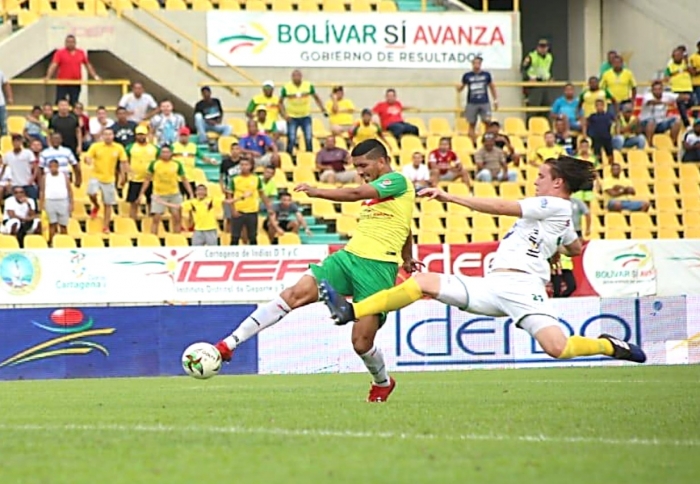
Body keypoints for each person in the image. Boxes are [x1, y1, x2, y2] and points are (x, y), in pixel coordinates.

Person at [320, 156, 647, 366]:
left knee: (557, 348)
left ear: (557, 183)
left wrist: (450, 196)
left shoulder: (553, 205)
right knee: (422, 282)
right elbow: (575, 248)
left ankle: (608, 346)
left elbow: (502, 207)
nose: (536, 182)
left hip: (523, 288)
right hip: (493, 284)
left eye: (541, 176)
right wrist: (554, 250)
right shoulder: (559, 216)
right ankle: (351, 310)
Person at [212, 139, 419, 402]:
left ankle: (383, 382)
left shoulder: (398, 181)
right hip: (347, 258)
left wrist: (317, 191)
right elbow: (405, 226)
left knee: (361, 343)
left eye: (364, 165)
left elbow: (357, 195)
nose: (360, 172)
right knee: (295, 293)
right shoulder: (379, 197)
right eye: (356, 167)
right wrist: (409, 256)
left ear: (382, 161)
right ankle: (229, 344)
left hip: (378, 269)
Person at [155, 184, 241, 246]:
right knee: (196, 252)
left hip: (210, 230)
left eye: (203, 190)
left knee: (212, 252)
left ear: (206, 192)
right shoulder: (192, 202)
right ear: (196, 192)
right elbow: (178, 206)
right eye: (199, 190)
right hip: (198, 231)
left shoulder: (212, 200)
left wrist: (242, 197)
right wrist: (162, 202)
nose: (201, 192)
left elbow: (228, 201)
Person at [139, 145, 193, 235]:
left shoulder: (176, 164)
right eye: (163, 152)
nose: (165, 154)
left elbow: (184, 179)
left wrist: (190, 192)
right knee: (156, 218)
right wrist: (141, 193)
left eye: (167, 152)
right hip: (159, 194)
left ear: (171, 153)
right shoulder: (154, 164)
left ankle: (177, 238)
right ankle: (154, 238)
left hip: (174, 194)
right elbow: (147, 179)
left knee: (177, 217)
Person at [84, 127, 128, 232]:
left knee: (108, 204)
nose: (108, 137)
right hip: (96, 175)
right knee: (91, 193)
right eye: (106, 134)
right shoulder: (96, 146)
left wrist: (123, 176)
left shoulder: (118, 148)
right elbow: (88, 156)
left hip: (110, 178)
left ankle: (106, 226)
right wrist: (88, 160)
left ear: (113, 136)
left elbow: (123, 162)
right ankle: (95, 205)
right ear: (102, 136)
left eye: (110, 134)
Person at [279, 70, 327, 155]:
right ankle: (289, 156)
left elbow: (316, 98)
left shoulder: (308, 86)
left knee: (308, 137)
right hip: (292, 117)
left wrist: (323, 109)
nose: (296, 78)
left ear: (301, 76)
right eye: (294, 76)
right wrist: (284, 115)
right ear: (292, 77)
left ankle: (310, 156)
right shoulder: (286, 87)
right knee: (292, 138)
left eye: (298, 76)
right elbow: (280, 102)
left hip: (305, 116)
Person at [44, 34, 100, 105]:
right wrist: (48, 77)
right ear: (65, 43)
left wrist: (96, 77)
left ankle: (72, 116)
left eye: (72, 42)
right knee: (60, 102)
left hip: (75, 83)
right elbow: (54, 65)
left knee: (74, 103)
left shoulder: (81, 53)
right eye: (68, 42)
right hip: (62, 83)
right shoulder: (60, 53)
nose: (70, 44)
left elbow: (88, 65)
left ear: (75, 43)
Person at [229, 158, 272, 246]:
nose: (244, 167)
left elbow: (262, 194)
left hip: (252, 211)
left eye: (246, 165)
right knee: (235, 237)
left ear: (251, 166)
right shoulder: (234, 179)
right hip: (239, 211)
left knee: (252, 237)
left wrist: (269, 207)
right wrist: (233, 210)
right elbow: (229, 196)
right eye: (241, 165)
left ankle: (254, 258)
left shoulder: (256, 179)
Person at [458, 56, 498, 142]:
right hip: (472, 102)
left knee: (487, 121)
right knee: (472, 123)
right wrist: (458, 88)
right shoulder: (467, 76)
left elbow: (492, 87)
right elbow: (462, 87)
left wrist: (495, 100)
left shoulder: (486, 75)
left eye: (478, 63)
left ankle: (487, 140)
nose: (477, 65)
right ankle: (473, 142)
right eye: (475, 63)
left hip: (484, 102)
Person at [172, 127, 218, 198]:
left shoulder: (193, 147)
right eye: (182, 135)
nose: (183, 137)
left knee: (191, 198)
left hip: (190, 177)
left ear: (188, 136)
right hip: (177, 178)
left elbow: (202, 157)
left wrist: (211, 161)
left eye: (185, 136)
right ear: (179, 136)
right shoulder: (173, 146)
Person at [125, 125, 158, 220]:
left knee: (151, 202)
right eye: (139, 134)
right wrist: (127, 172)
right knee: (134, 202)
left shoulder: (154, 148)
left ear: (146, 135)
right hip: (135, 179)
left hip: (151, 179)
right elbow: (125, 160)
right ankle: (132, 221)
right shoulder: (130, 147)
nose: (141, 137)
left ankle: (151, 221)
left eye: (143, 134)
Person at [639, 80, 681, 147]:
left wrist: (682, 98)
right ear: (652, 90)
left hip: (661, 123)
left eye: (659, 89)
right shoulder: (648, 96)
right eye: (655, 89)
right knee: (651, 121)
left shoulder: (666, 95)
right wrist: (664, 103)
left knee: (677, 120)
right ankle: (649, 144)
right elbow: (650, 102)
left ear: (662, 89)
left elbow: (680, 97)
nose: (657, 91)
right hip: (645, 124)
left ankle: (673, 143)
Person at [40, 158, 73, 243]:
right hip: (50, 201)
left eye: (55, 166)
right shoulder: (45, 177)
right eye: (51, 167)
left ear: (58, 167)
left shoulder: (64, 176)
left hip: (62, 201)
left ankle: (65, 242)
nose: (53, 168)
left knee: (63, 224)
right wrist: (41, 203)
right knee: (52, 224)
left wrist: (71, 203)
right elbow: (42, 191)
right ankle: (52, 242)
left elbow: (69, 190)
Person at [522, 38, 553, 121]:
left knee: (546, 108)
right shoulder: (531, 56)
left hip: (545, 84)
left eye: (545, 47)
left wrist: (549, 78)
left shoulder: (549, 57)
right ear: (537, 47)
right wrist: (528, 79)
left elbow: (546, 70)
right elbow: (523, 69)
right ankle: (529, 127)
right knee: (533, 109)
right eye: (541, 47)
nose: (543, 49)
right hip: (534, 85)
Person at [2, 134, 38, 200]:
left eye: (18, 141)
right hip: (14, 184)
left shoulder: (28, 153)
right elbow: (3, 169)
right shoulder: (7, 155)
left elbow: (35, 167)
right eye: (15, 141)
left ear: (21, 142)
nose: (16, 143)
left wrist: (32, 179)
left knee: (32, 202)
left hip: (27, 183)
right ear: (12, 142)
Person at [664, 47, 694, 128]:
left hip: (688, 88)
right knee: (681, 103)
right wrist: (677, 72)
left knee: (693, 102)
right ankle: (686, 123)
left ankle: (685, 115)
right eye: (676, 55)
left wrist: (687, 64)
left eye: (679, 55)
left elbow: (692, 72)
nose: (678, 57)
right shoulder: (670, 66)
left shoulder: (686, 63)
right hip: (677, 90)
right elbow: (666, 77)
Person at [219, 142, 243, 231]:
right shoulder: (225, 162)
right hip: (229, 192)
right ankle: (227, 234)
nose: (235, 151)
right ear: (230, 150)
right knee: (229, 217)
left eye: (237, 149)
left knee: (240, 217)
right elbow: (221, 176)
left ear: (240, 150)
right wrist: (222, 187)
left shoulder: (243, 162)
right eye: (233, 149)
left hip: (240, 192)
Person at [0, 68, 13, 136]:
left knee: (3, 126)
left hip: (0, 104)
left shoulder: (0, 72)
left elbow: (6, 84)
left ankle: (3, 143)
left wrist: (10, 97)